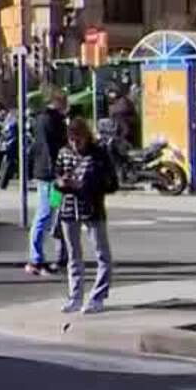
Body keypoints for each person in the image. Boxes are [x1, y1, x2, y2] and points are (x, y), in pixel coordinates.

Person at [56, 117, 117, 314]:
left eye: (79, 140)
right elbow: (56, 176)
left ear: (86, 136)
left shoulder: (98, 154)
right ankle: (75, 297)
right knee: (73, 255)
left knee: (102, 254)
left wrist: (84, 186)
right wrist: (61, 184)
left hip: (92, 208)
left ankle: (98, 297)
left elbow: (111, 184)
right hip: (68, 208)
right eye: (72, 140)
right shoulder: (64, 153)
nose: (75, 145)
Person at [25, 86, 70, 276]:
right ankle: (35, 260)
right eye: (64, 101)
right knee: (45, 213)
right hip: (50, 176)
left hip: (50, 174)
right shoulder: (50, 121)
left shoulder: (48, 119)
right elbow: (49, 149)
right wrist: (57, 172)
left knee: (53, 212)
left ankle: (51, 256)